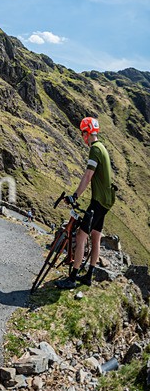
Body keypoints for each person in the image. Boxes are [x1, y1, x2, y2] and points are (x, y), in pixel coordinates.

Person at [55, 117, 116, 289]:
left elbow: (88, 176)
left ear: (86, 132)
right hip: (107, 201)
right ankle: (88, 276)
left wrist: (74, 196)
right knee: (95, 237)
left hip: (98, 201)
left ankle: (72, 278)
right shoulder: (102, 147)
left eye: (83, 132)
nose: (82, 136)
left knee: (81, 236)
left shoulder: (95, 149)